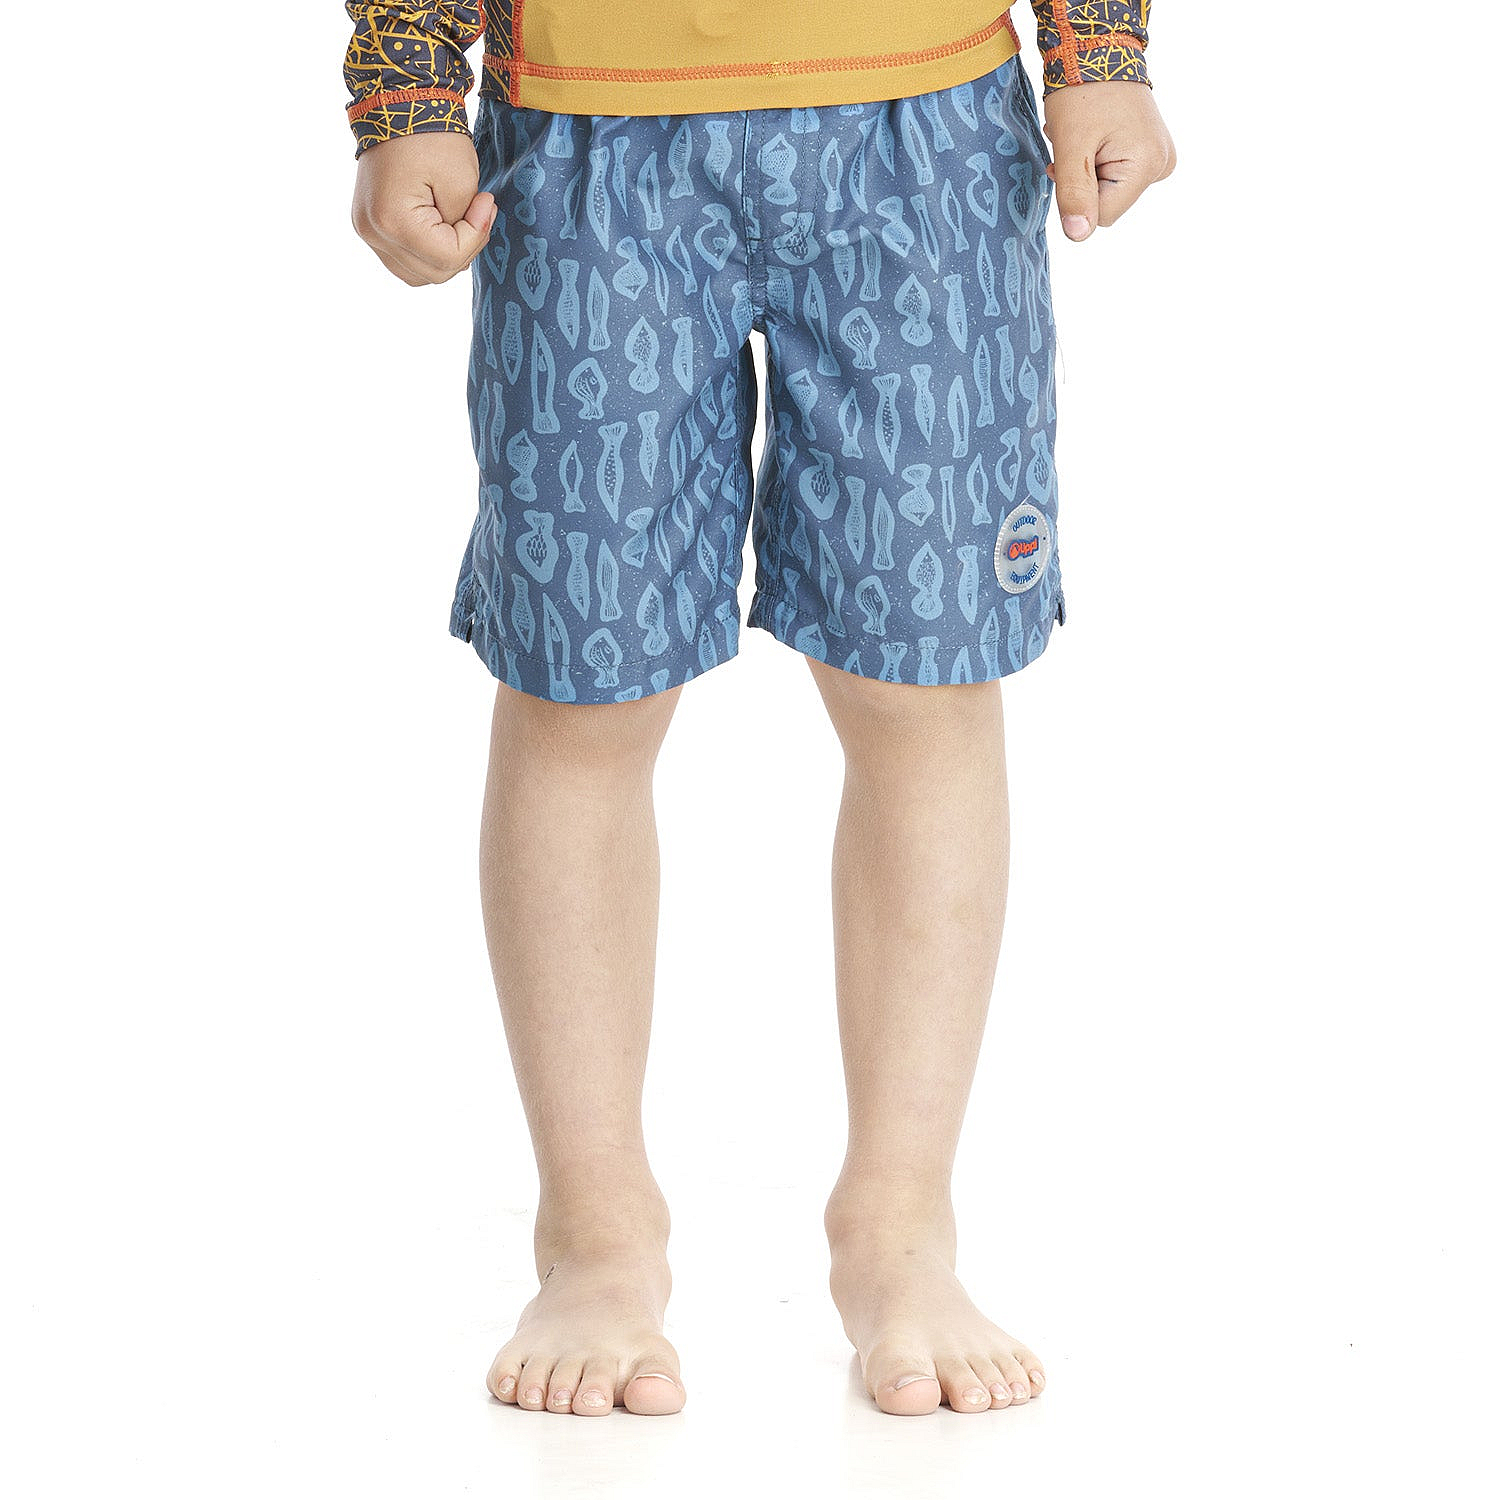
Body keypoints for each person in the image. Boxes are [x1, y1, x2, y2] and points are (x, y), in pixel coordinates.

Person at [345, 0, 1174, 1417]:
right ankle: (596, 1230)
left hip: (923, 126)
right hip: (591, 132)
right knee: (580, 686)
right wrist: (407, 87)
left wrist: (1101, 53)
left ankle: (900, 1221)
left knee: (924, 678)